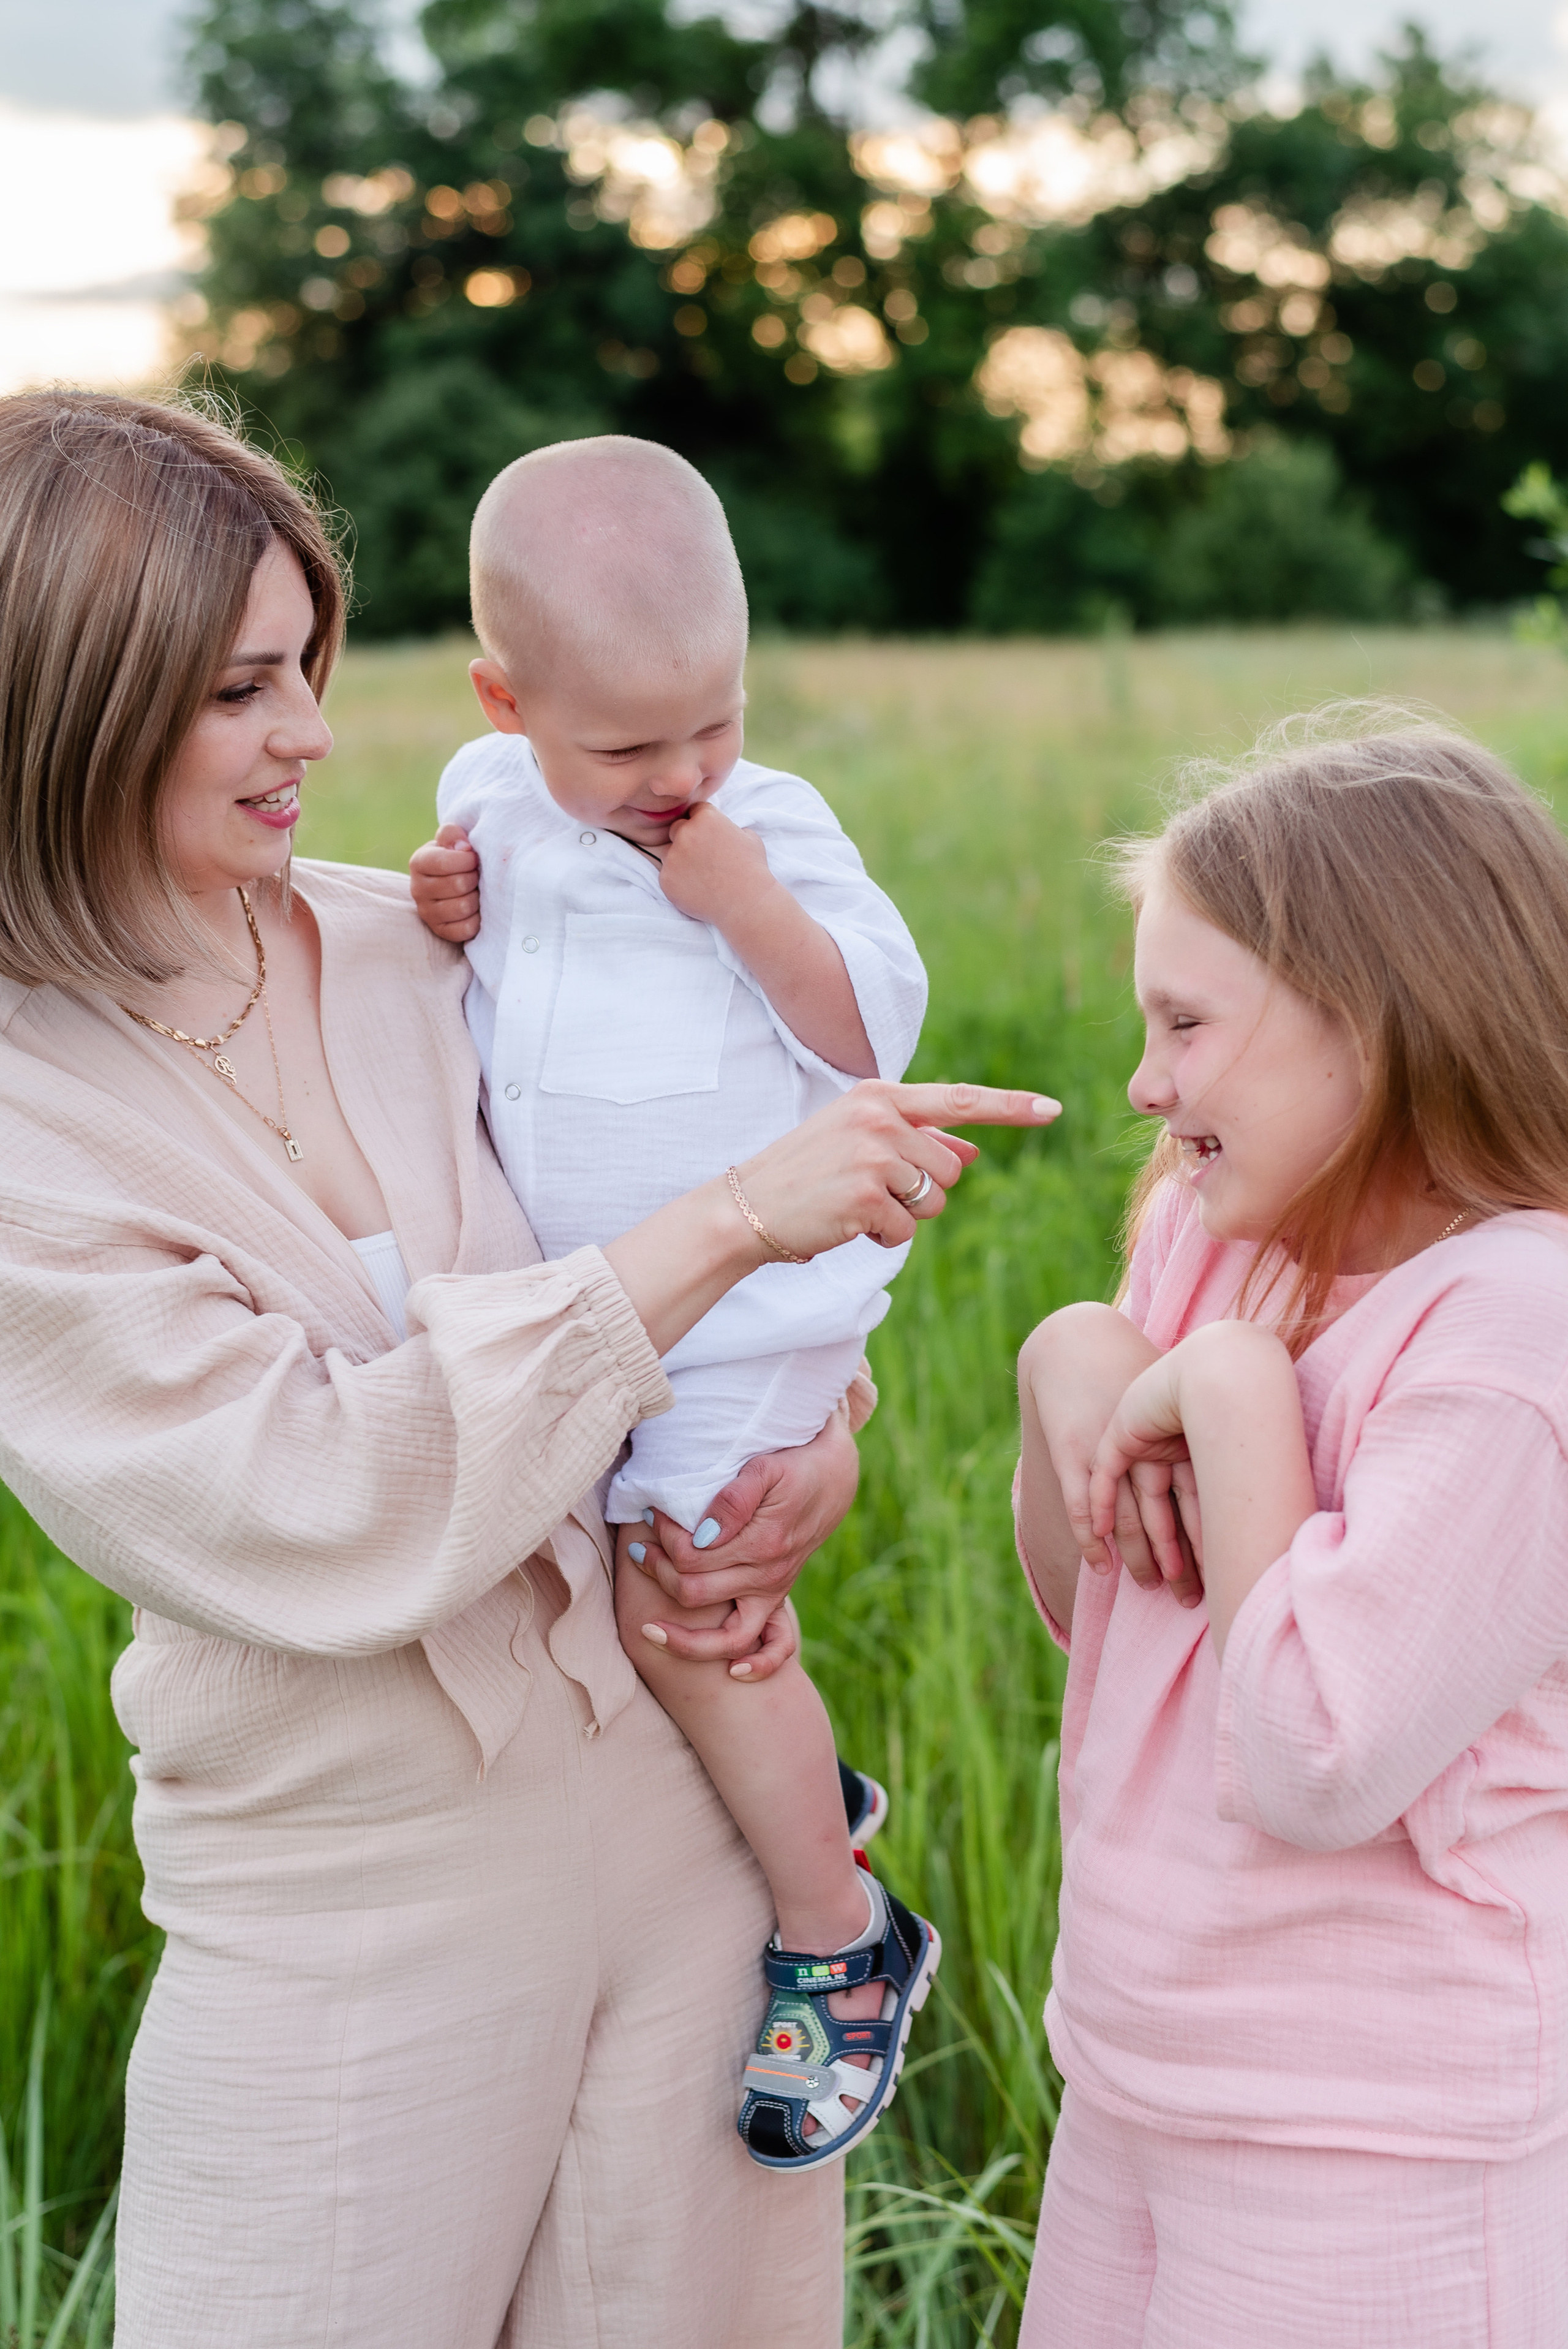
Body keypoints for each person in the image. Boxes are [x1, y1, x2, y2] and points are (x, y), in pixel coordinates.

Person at [0, 387, 1055, 2349]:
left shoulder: (424, 944)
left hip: (683, 1820)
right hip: (348, 1900)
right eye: (241, 690)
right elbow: (311, 1498)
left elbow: (664, 1165)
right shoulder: (27, 1124)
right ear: (65, 708)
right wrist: (732, 1227)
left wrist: (823, 1423)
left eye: (306, 665)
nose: (315, 733)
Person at [408, 436, 937, 2169]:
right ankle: (799, 1790)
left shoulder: (766, 827)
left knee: (686, 1613)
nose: (679, 776)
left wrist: (751, 907)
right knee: (594, 1588)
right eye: (628, 749)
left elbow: (870, 1030)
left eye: (713, 723)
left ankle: (843, 1936)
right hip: (592, 1305)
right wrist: (442, 897)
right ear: (507, 704)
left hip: (751, 1311)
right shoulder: (492, 794)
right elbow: (488, 938)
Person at [1016, 708, 1568, 2347]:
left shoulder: (1515, 1334)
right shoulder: (1215, 1235)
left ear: (1376, 1017)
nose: (1145, 1084)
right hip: (1139, 2065)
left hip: (1377, 2139)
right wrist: (1072, 1363)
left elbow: (1317, 1754)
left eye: (1187, 1023)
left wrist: (1235, 1387)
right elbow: (1106, 1619)